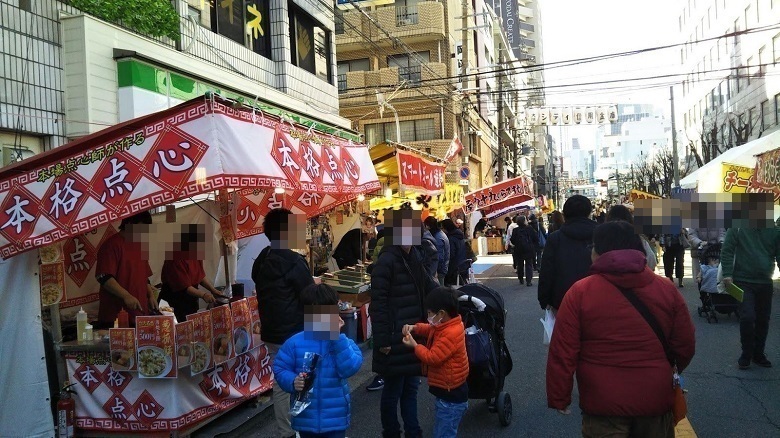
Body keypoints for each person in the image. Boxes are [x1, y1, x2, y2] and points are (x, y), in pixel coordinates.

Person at [547, 221, 696, 437]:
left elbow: (563, 350)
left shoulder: (580, 292)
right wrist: (670, 369)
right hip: (654, 398)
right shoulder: (666, 289)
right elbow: (685, 343)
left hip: (602, 402)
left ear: (597, 253)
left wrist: (560, 396)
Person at [369, 209, 439, 438]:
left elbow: (430, 287)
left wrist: (451, 300)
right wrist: (382, 340)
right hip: (393, 337)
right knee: (392, 392)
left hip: (412, 337)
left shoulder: (414, 258)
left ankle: (413, 431)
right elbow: (377, 304)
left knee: (411, 389)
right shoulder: (386, 261)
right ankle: (391, 433)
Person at [251, 208, 315, 438]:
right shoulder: (293, 261)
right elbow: (310, 296)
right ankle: (305, 427)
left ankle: (285, 431)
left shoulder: (261, 259)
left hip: (272, 332)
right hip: (295, 333)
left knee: (281, 382)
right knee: (305, 379)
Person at [272, 283, 363, 438]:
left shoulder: (342, 341)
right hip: (306, 418)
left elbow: (350, 368)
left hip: (335, 417)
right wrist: (293, 381)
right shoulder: (295, 343)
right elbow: (280, 368)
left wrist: (337, 337)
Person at [401, 287, 469, 438]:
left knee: (443, 432)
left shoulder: (450, 332)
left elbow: (433, 357)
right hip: (449, 391)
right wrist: (415, 327)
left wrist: (415, 346)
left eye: (430, 313)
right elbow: (431, 329)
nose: (428, 317)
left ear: (442, 314)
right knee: (442, 429)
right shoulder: (446, 325)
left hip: (451, 393)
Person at [721, 226, 780, 369]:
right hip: (743, 280)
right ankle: (746, 353)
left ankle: (758, 354)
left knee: (763, 319)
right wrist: (727, 273)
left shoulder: (774, 230)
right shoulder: (738, 227)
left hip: (765, 281)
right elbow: (727, 250)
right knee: (747, 316)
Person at [95, 211, 158, 328]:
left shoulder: (139, 245)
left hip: (140, 313)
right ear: (129, 223)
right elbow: (104, 277)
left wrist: (150, 296)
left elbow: (144, 276)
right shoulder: (111, 245)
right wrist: (126, 296)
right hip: (116, 316)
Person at [538, 195, 597, 311]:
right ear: (589, 212)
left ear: (565, 214)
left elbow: (547, 270)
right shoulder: (602, 234)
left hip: (563, 300)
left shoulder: (556, 238)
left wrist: (544, 299)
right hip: (597, 298)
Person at [159, 224, 221, 322]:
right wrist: (204, 295)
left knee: (190, 327)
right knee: (176, 328)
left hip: (190, 299)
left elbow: (199, 276)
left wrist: (213, 290)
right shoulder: (175, 257)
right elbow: (184, 286)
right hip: (173, 300)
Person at [606, 204, 657, 271]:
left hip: (609, 277)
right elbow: (651, 261)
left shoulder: (604, 238)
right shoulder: (638, 238)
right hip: (636, 276)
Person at [511, 216, 538, 286]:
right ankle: (528, 281)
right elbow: (535, 238)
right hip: (529, 249)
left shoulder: (515, 230)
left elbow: (512, 240)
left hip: (519, 250)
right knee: (529, 264)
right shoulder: (529, 228)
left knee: (520, 264)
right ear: (524, 221)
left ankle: (521, 279)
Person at [425, 217, 451, 285]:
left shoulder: (438, 237)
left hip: (439, 271)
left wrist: (435, 270)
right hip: (441, 269)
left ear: (428, 226)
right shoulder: (439, 234)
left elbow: (439, 257)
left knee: (439, 292)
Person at [442, 219, 467, 287]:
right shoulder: (459, 236)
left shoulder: (451, 238)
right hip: (462, 265)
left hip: (454, 268)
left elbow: (451, 254)